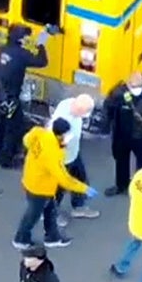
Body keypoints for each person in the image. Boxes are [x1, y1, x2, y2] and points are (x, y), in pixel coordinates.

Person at [12, 118, 94, 250]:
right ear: (60, 135)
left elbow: (26, 140)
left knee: (50, 210)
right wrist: (83, 188)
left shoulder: (39, 133)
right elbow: (64, 178)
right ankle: (21, 239)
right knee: (33, 214)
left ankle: (52, 237)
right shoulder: (53, 153)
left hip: (31, 179)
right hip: (41, 189)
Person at [0, 24, 51, 169]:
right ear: (21, 39)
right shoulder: (21, 54)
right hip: (11, 98)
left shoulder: (2, 50)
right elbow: (42, 62)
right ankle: (6, 159)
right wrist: (41, 44)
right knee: (14, 127)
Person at [102, 72, 142, 196]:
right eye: (130, 86)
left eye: (134, 87)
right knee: (120, 160)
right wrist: (105, 128)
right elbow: (108, 107)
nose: (132, 90)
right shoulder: (119, 92)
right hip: (121, 134)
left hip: (141, 136)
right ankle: (121, 185)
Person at [50, 94, 99, 226]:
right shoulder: (63, 120)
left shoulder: (70, 103)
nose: (85, 117)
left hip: (74, 154)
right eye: (84, 113)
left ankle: (78, 206)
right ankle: (51, 213)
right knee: (59, 188)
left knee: (80, 178)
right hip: (62, 160)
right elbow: (57, 142)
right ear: (79, 110)